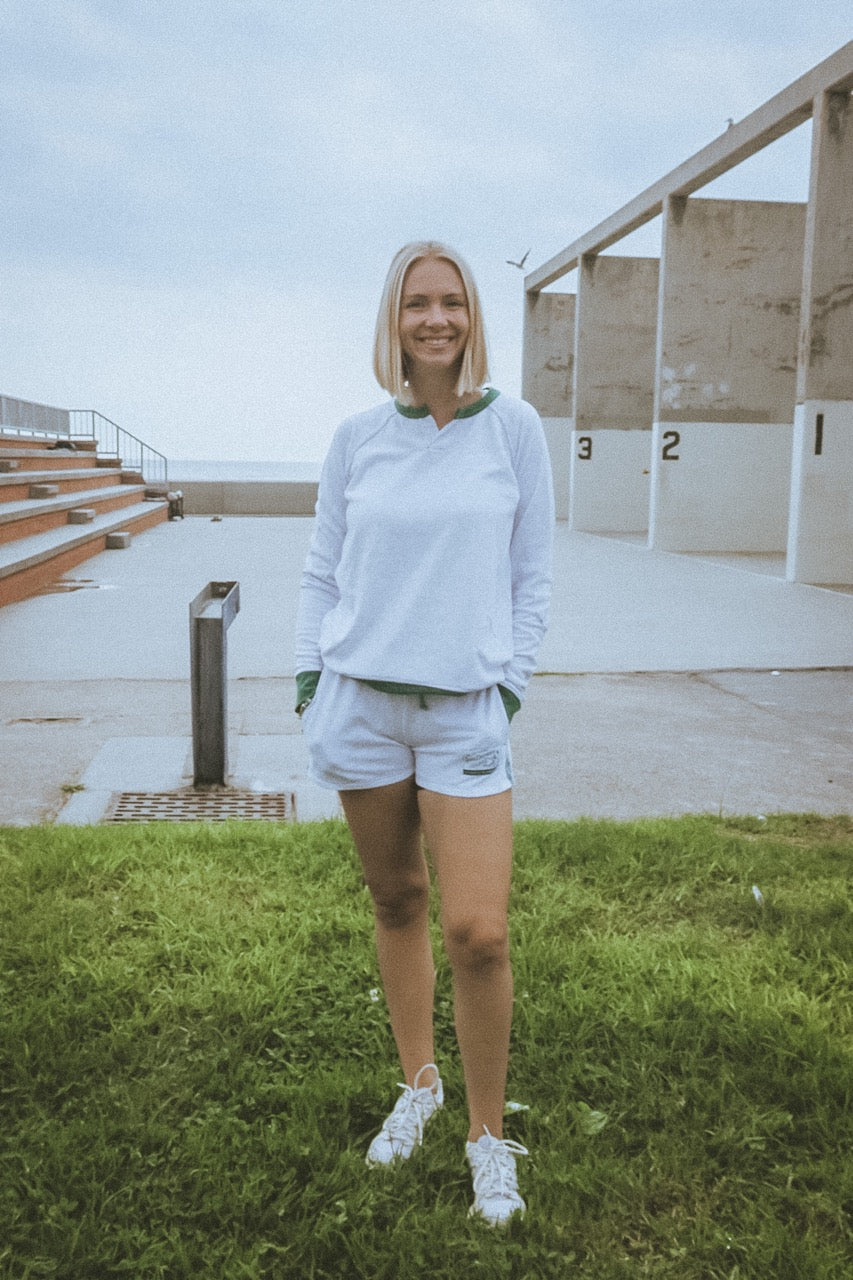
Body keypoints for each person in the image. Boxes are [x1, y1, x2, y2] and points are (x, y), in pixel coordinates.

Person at [294, 241, 553, 1226]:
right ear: (392, 320)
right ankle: (420, 1084)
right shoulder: (357, 436)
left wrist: (508, 686)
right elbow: (321, 570)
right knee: (396, 898)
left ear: (472, 316)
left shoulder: (513, 429)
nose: (435, 319)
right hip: (361, 706)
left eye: (451, 302)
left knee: (478, 932)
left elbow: (532, 574)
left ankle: (488, 1136)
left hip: (464, 715)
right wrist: (313, 684)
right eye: (416, 303)